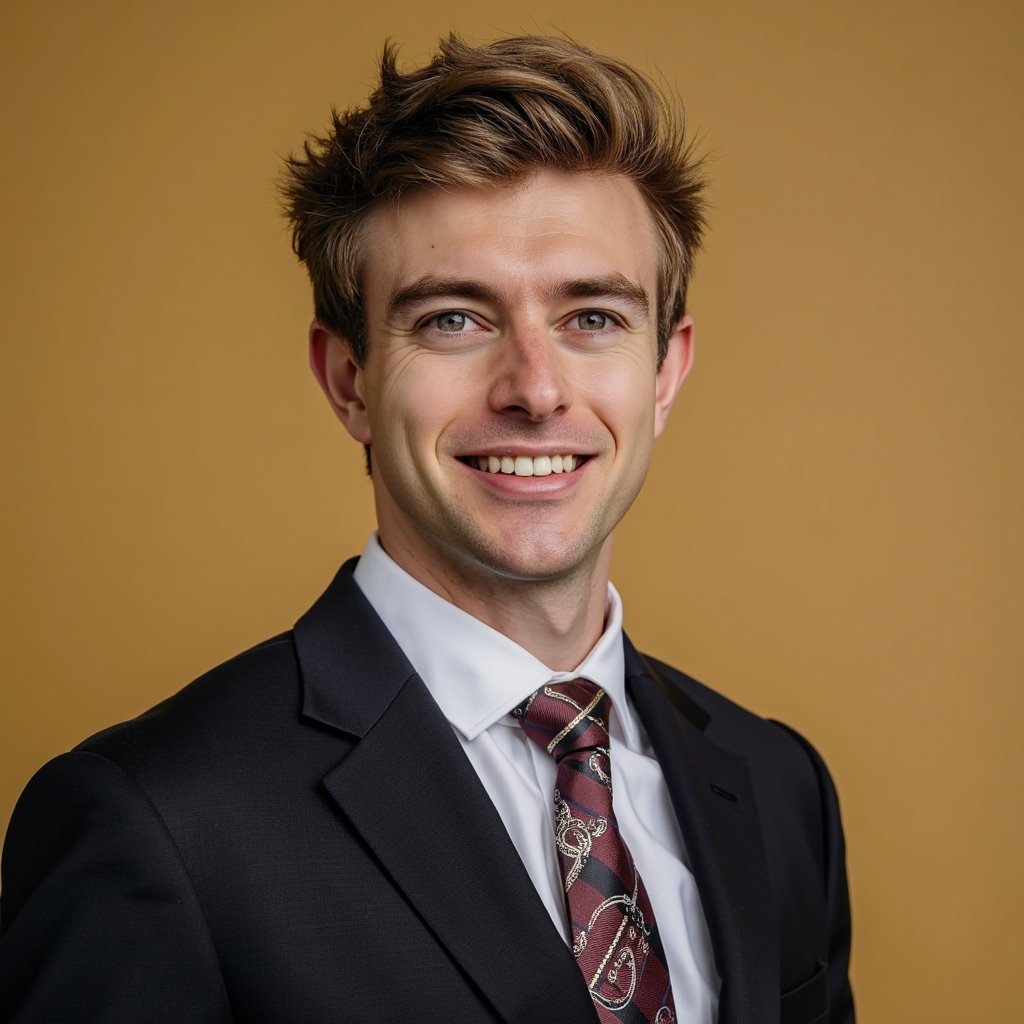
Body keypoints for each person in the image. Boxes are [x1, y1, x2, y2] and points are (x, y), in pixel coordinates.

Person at [0, 34, 853, 1024]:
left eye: (592, 318)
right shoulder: (156, 823)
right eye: (454, 318)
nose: (535, 388)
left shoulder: (779, 789)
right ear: (348, 379)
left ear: (666, 370)